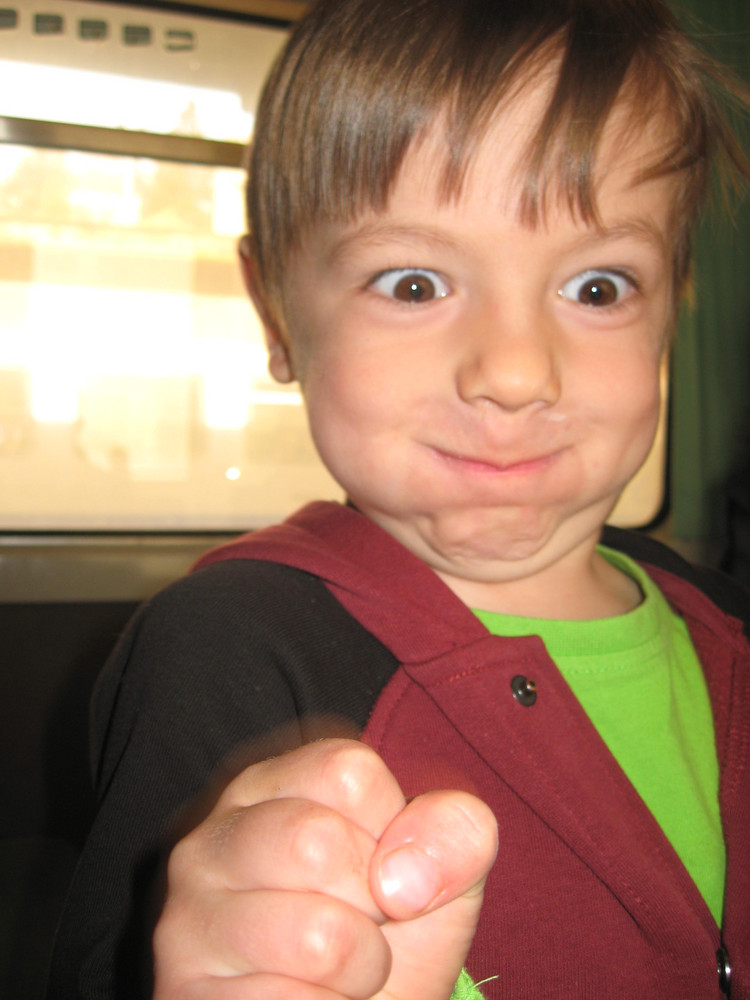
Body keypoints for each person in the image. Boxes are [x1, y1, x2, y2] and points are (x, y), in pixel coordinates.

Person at [47, 1, 750, 998]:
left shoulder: (726, 621)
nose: (516, 373)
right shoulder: (227, 646)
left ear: (672, 306)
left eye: (598, 287)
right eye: (414, 284)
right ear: (275, 312)